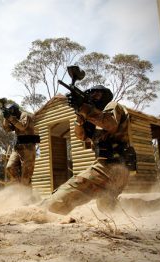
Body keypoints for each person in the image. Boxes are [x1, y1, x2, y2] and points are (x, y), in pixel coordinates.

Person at [41, 85, 136, 214]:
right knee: (107, 208)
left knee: (57, 201)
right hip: (115, 168)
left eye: (96, 94)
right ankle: (152, 205)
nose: (93, 97)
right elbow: (81, 136)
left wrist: (85, 108)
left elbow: (110, 124)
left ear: (105, 95)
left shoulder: (112, 106)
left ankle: (39, 211)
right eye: (91, 95)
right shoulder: (94, 118)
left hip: (111, 166)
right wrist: (80, 116)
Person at [2, 102, 39, 185]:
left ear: (15, 109)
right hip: (18, 148)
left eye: (11, 111)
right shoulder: (14, 118)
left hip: (28, 149)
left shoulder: (25, 115)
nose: (11, 113)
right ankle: (20, 187)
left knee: (26, 175)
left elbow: (22, 126)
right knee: (10, 167)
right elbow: (7, 129)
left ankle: (27, 195)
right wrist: (5, 118)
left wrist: (10, 118)